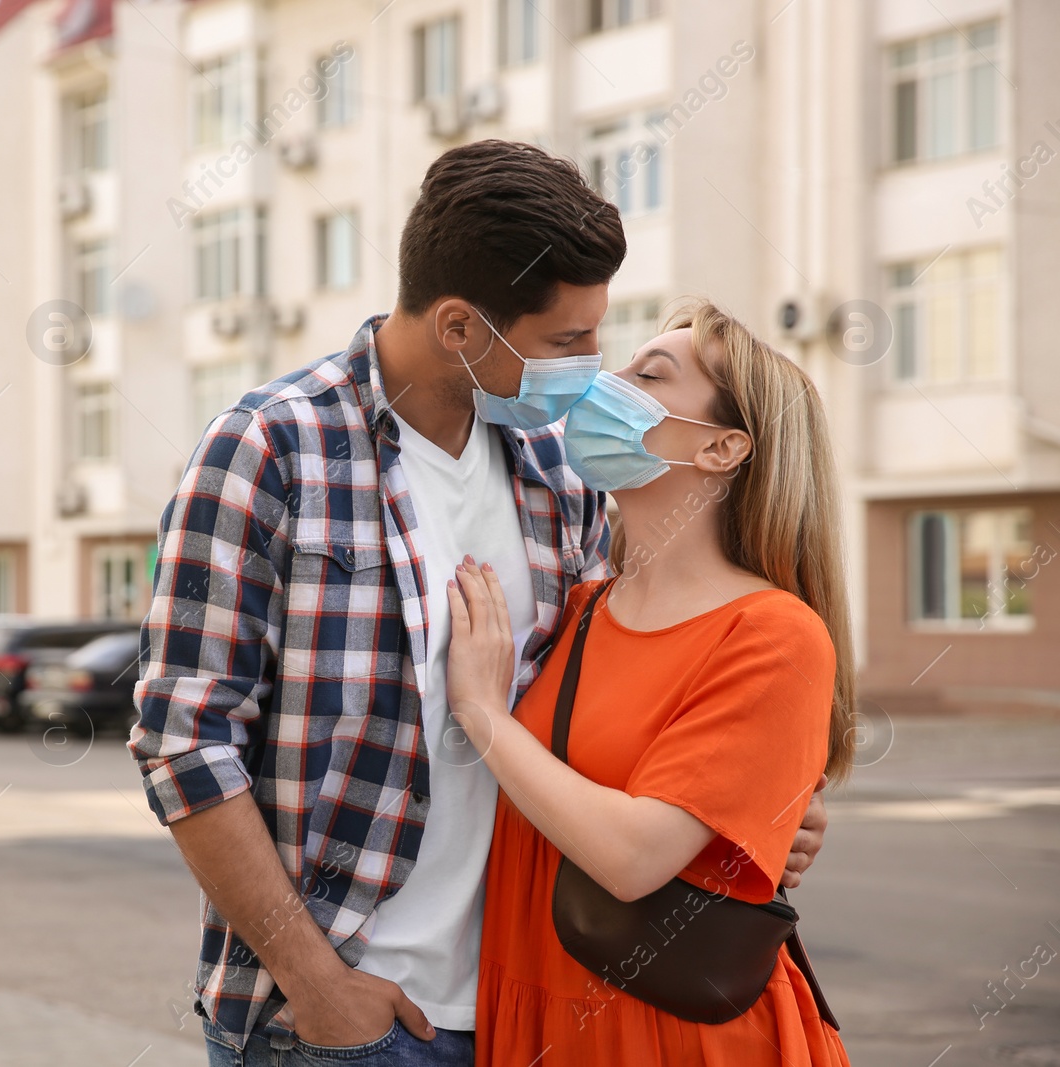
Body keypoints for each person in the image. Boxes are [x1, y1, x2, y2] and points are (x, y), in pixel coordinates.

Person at [129, 140, 830, 1067]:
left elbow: (622, 705)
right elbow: (184, 739)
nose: (593, 369)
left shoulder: (558, 478)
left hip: (523, 1010)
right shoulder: (270, 449)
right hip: (338, 1027)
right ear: (461, 326)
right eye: (567, 343)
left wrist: (742, 809)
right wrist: (317, 982)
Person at [445, 301, 853, 1065]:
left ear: (722, 447)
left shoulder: (773, 632)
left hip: (673, 1036)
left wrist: (482, 712)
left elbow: (633, 856)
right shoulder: (578, 608)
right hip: (533, 1009)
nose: (608, 382)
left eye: (648, 374)